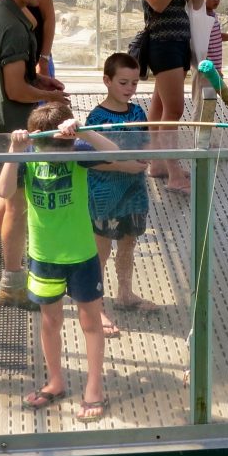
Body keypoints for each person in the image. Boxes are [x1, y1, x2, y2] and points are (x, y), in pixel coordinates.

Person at [0, 103, 118, 422]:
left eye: (56, 147)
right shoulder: (27, 157)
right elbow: (3, 190)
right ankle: (55, 380)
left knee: (90, 322)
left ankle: (94, 387)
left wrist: (85, 131)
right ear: (37, 140)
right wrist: (15, 147)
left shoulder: (77, 152)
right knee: (50, 321)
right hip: (43, 257)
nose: (51, 153)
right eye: (45, 146)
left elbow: (114, 153)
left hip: (81, 255)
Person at [0, 0, 68, 308]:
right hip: (10, 128)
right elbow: (14, 89)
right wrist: (52, 100)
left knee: (2, 199)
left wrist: (39, 80)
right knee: (16, 207)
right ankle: (12, 284)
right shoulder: (14, 26)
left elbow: (6, 76)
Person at [134, 0, 207, 196]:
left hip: (180, 40)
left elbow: (197, 2)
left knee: (161, 107)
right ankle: (174, 173)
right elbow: (158, 4)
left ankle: (159, 164)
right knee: (174, 109)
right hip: (162, 42)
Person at [85, 52, 158, 336]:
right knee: (101, 251)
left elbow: (146, 142)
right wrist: (126, 165)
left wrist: (144, 158)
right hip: (105, 193)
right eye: (123, 82)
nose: (129, 89)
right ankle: (97, 305)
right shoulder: (97, 118)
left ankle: (125, 293)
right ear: (107, 81)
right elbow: (91, 159)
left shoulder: (138, 112)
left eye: (134, 83)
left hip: (135, 191)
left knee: (129, 243)